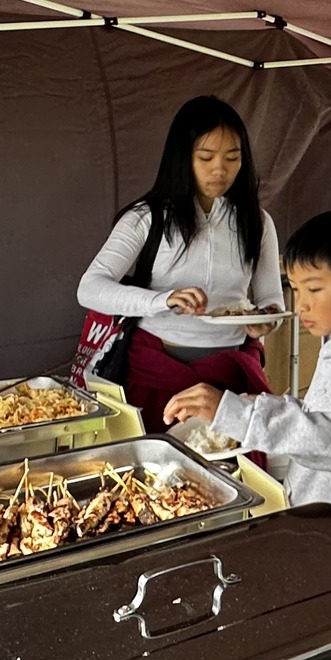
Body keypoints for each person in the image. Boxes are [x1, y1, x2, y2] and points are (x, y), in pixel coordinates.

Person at [163, 210, 331, 540]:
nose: (301, 305)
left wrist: (241, 416)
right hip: (328, 523)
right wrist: (262, 406)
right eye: (296, 289)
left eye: (314, 290)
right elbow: (328, 415)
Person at [76, 95, 282, 432]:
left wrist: (267, 321)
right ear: (182, 157)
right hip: (155, 371)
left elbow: (271, 298)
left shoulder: (257, 223)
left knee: (230, 461)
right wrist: (163, 300)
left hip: (228, 377)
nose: (220, 169)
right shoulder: (147, 218)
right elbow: (90, 288)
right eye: (206, 157)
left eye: (232, 157)